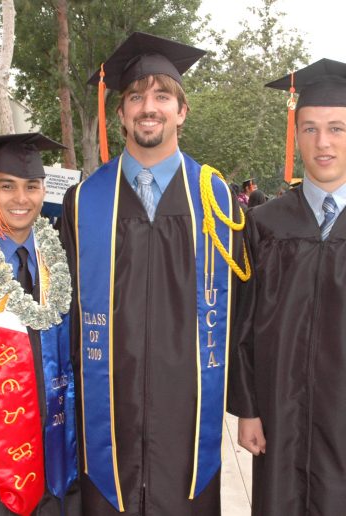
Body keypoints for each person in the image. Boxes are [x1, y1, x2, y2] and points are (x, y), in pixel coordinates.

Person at [61, 32, 249, 516]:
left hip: (186, 424)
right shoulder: (82, 203)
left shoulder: (216, 202)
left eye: (163, 96)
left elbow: (245, 315)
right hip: (109, 419)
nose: (149, 107)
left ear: (182, 111)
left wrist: (248, 405)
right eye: (136, 97)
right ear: (121, 114)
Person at [228, 58, 346, 516]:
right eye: (310, 128)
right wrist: (247, 409)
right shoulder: (263, 223)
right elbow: (243, 324)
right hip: (280, 414)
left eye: (337, 128)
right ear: (295, 136)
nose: (323, 142)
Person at [0, 133, 80, 515]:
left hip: (56, 460)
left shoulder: (62, 268)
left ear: (44, 191)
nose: (21, 199)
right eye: (7, 186)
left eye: (32, 186)